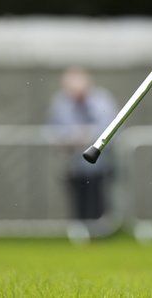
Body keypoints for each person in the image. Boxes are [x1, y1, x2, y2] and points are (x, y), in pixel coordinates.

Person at [46, 66, 117, 227]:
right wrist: (68, 138)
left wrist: (87, 136)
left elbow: (108, 125)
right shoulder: (60, 101)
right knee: (77, 197)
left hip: (100, 162)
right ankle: (79, 229)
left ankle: (100, 229)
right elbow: (53, 127)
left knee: (98, 196)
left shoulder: (101, 99)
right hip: (72, 162)